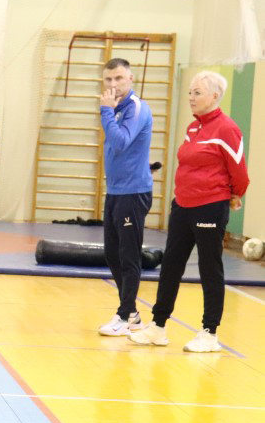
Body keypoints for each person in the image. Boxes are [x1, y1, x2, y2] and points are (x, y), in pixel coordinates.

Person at [130, 71, 249, 353]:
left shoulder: (227, 129)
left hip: (210, 206)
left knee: (209, 268)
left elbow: (239, 172)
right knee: (171, 266)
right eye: (190, 93)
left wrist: (234, 195)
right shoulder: (193, 128)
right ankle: (158, 326)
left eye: (197, 93)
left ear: (215, 96)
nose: (191, 98)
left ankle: (209, 333)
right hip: (182, 206)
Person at [96, 59, 154, 337]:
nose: (113, 84)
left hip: (133, 193)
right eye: (108, 79)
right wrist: (110, 112)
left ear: (131, 79)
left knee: (129, 256)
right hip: (116, 192)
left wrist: (106, 112)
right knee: (112, 254)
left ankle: (124, 315)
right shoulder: (116, 110)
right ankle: (132, 314)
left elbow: (120, 142)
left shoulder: (135, 108)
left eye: (118, 78)